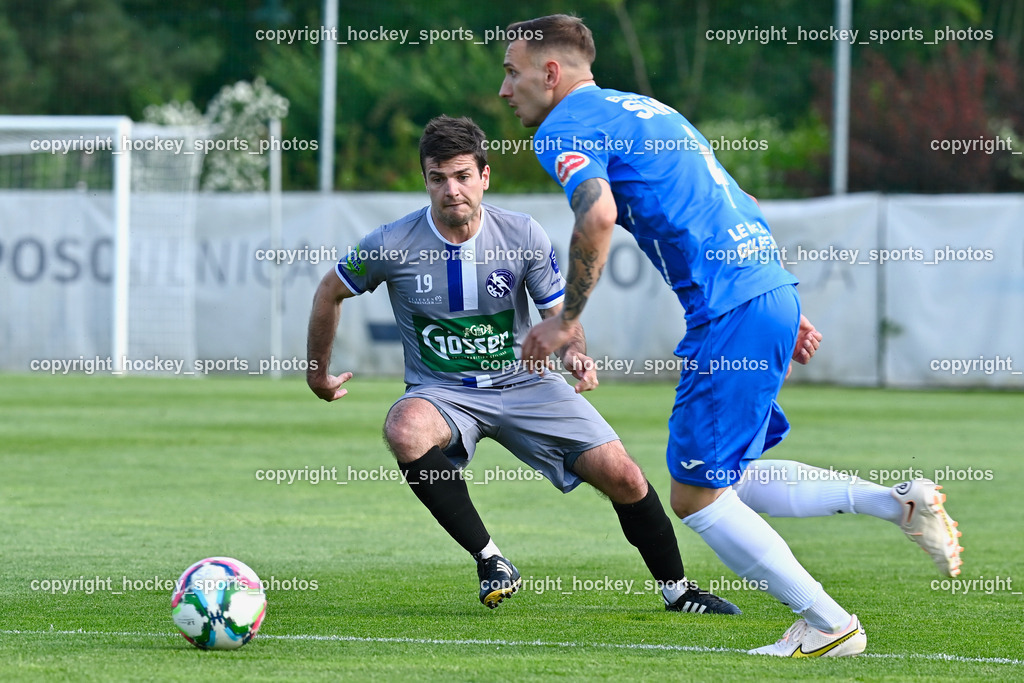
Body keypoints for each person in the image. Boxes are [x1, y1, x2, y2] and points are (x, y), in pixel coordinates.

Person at [499, 14, 963, 657]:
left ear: (550, 73)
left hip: (733, 312)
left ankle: (829, 624)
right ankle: (897, 505)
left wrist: (566, 318)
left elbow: (597, 213)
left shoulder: (566, 126)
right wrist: (779, 299)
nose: (505, 89)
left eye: (511, 71)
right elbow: (730, 197)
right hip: (765, 291)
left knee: (693, 496)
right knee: (728, 476)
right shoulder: (649, 111)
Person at [306, 115, 739, 615]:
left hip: (525, 382)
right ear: (425, 179)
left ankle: (679, 591)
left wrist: (576, 354)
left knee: (624, 475)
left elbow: (559, 317)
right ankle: (490, 558)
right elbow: (329, 290)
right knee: (404, 428)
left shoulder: (522, 235)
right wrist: (318, 371)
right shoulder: (390, 244)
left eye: (463, 175)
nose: (451, 190)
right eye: (438, 177)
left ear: (484, 176)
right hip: (443, 392)